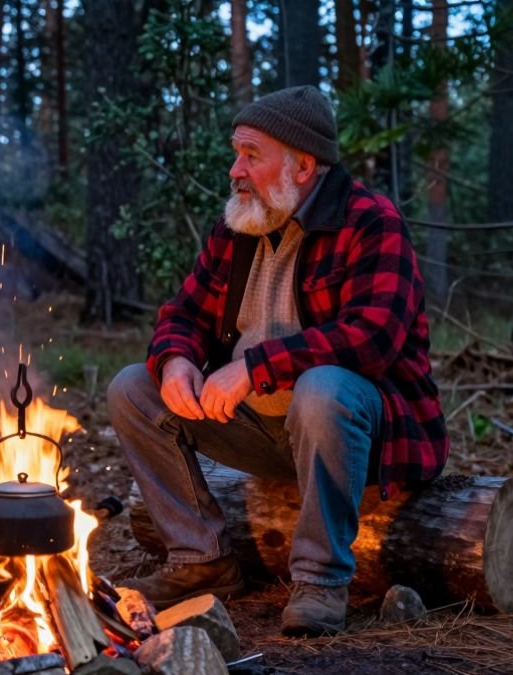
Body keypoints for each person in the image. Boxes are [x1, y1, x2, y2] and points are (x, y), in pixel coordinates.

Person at [108, 85, 447, 637]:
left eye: (251, 155)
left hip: (359, 435)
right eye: (236, 153)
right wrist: (175, 360)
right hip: (258, 429)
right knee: (132, 388)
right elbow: (184, 314)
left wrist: (253, 367)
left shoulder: (370, 222)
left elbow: (371, 339)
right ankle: (201, 560)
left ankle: (320, 580)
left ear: (303, 165)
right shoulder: (240, 225)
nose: (235, 171)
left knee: (322, 389)